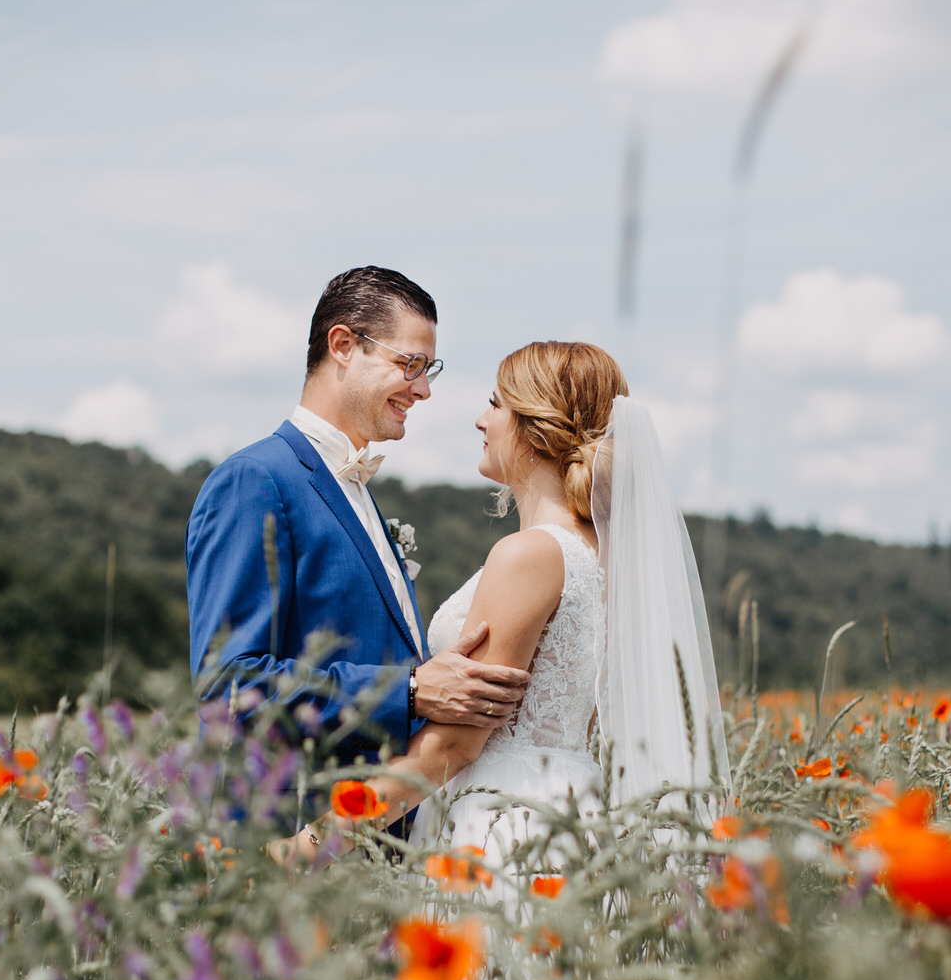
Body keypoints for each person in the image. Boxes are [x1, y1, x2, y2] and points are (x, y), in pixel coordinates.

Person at [273, 340, 726, 868]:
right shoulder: (606, 555)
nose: (480, 420)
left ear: (536, 428)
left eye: (495, 403)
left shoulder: (529, 555)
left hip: (502, 827)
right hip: (570, 815)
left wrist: (306, 847)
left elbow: (454, 748)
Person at [185, 266, 532, 826]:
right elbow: (230, 688)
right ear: (343, 345)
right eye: (410, 365)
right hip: (288, 842)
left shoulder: (360, 493)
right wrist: (411, 690)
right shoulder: (254, 481)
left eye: (429, 369)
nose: (423, 389)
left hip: (369, 848)